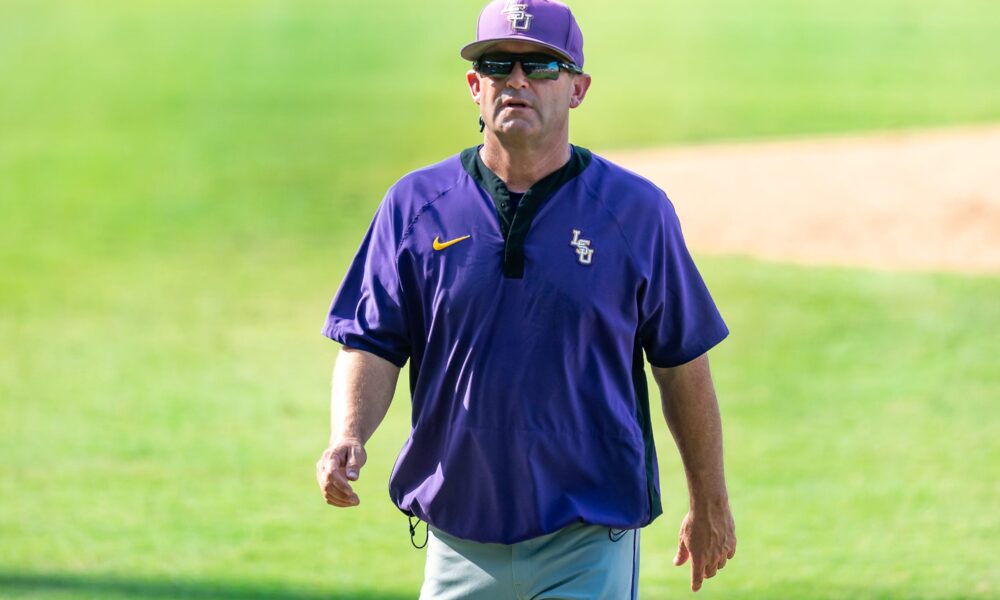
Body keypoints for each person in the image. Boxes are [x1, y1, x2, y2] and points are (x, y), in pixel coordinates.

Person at [316, 0, 736, 597]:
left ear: (578, 88)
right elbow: (373, 342)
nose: (516, 80)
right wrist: (348, 433)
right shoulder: (415, 206)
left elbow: (682, 365)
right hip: (458, 535)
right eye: (497, 64)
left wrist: (710, 502)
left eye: (540, 65)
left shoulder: (636, 214)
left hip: (587, 537)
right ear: (473, 85)